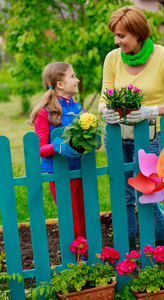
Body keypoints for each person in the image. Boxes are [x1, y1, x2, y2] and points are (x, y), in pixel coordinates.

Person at [99, 6, 164, 251]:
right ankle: (130, 253)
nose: (117, 41)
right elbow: (104, 96)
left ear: (138, 34)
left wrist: (152, 110)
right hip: (117, 138)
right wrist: (104, 109)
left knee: (148, 197)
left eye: (122, 36)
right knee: (125, 197)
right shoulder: (112, 58)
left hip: (149, 138)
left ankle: (158, 253)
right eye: (115, 36)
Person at [28, 62, 87, 241]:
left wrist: (94, 140)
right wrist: (58, 146)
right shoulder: (45, 113)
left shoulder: (77, 108)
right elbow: (40, 149)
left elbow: (89, 134)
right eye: (72, 76)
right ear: (60, 84)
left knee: (86, 221)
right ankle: (76, 261)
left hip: (82, 171)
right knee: (72, 224)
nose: (77, 80)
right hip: (60, 175)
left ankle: (89, 259)